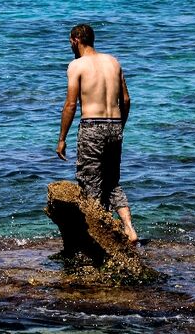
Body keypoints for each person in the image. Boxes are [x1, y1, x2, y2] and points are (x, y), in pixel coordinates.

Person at [56, 24, 138, 243]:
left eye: (70, 42)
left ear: (76, 40)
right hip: (115, 124)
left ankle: (97, 234)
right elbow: (127, 100)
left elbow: (70, 105)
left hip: (92, 126)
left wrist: (62, 138)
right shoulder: (113, 62)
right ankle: (129, 229)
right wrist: (120, 126)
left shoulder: (76, 65)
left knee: (89, 181)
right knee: (112, 181)